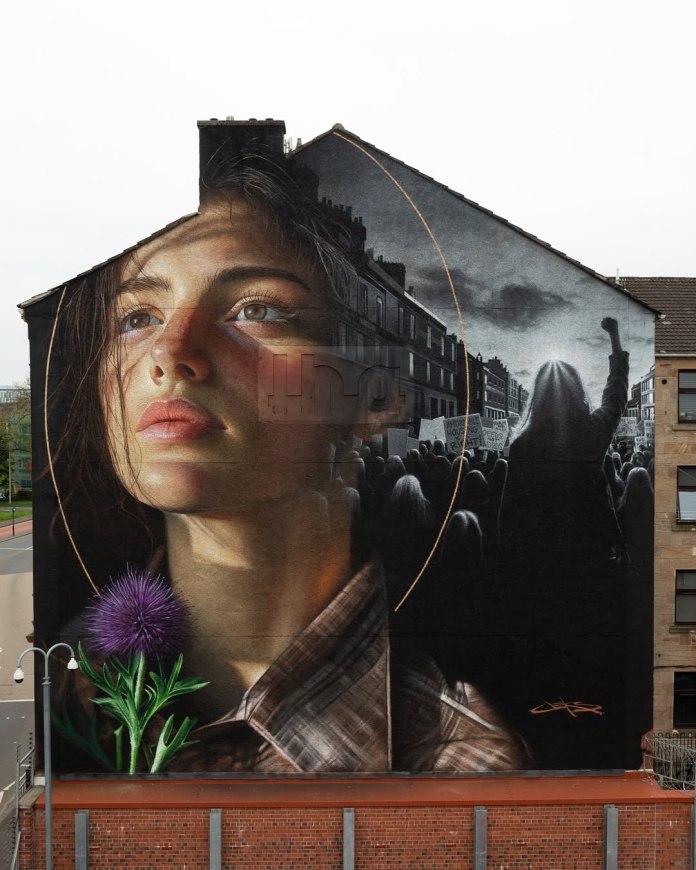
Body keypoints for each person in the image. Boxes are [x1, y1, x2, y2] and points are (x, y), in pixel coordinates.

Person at [50, 151, 523, 774]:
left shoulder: (457, 762)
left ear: (373, 397)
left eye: (258, 310)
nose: (170, 353)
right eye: (137, 317)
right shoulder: (62, 679)